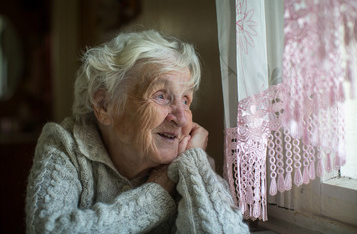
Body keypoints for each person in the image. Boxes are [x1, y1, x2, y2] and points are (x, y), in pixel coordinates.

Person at [25, 29, 250, 233]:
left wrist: (194, 161)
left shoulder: (188, 156)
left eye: (185, 100)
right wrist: (156, 194)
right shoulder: (66, 146)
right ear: (105, 106)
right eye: (161, 96)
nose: (181, 119)